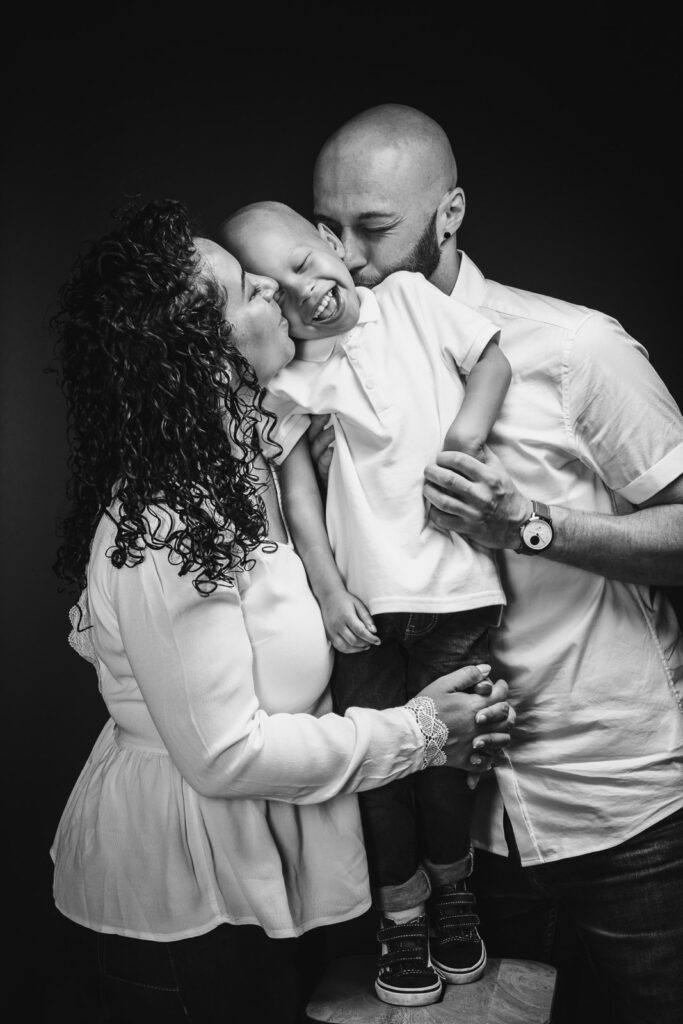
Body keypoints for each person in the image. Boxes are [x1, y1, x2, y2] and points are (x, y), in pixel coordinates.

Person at [48, 198, 515, 1024]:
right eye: (246, 290)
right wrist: (425, 728)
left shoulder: (257, 466)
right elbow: (226, 755)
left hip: (266, 870)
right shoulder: (165, 526)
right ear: (205, 355)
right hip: (183, 898)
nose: (272, 287)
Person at [308, 104, 683, 1024]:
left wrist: (534, 526)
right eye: (328, 227)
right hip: (466, 836)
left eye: (373, 227)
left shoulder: (571, 347)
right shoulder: (323, 368)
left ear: (450, 214)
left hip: (615, 803)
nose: (346, 256)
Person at [220, 200, 511, 1006]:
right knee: (380, 777)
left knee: (451, 766)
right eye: (274, 292)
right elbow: (291, 479)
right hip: (365, 604)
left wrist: (466, 439)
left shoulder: (413, 302)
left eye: (306, 264)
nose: (304, 292)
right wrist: (326, 582)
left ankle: (457, 901)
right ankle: (402, 919)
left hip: (455, 590)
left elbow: (490, 361)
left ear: (330, 245)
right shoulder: (296, 375)